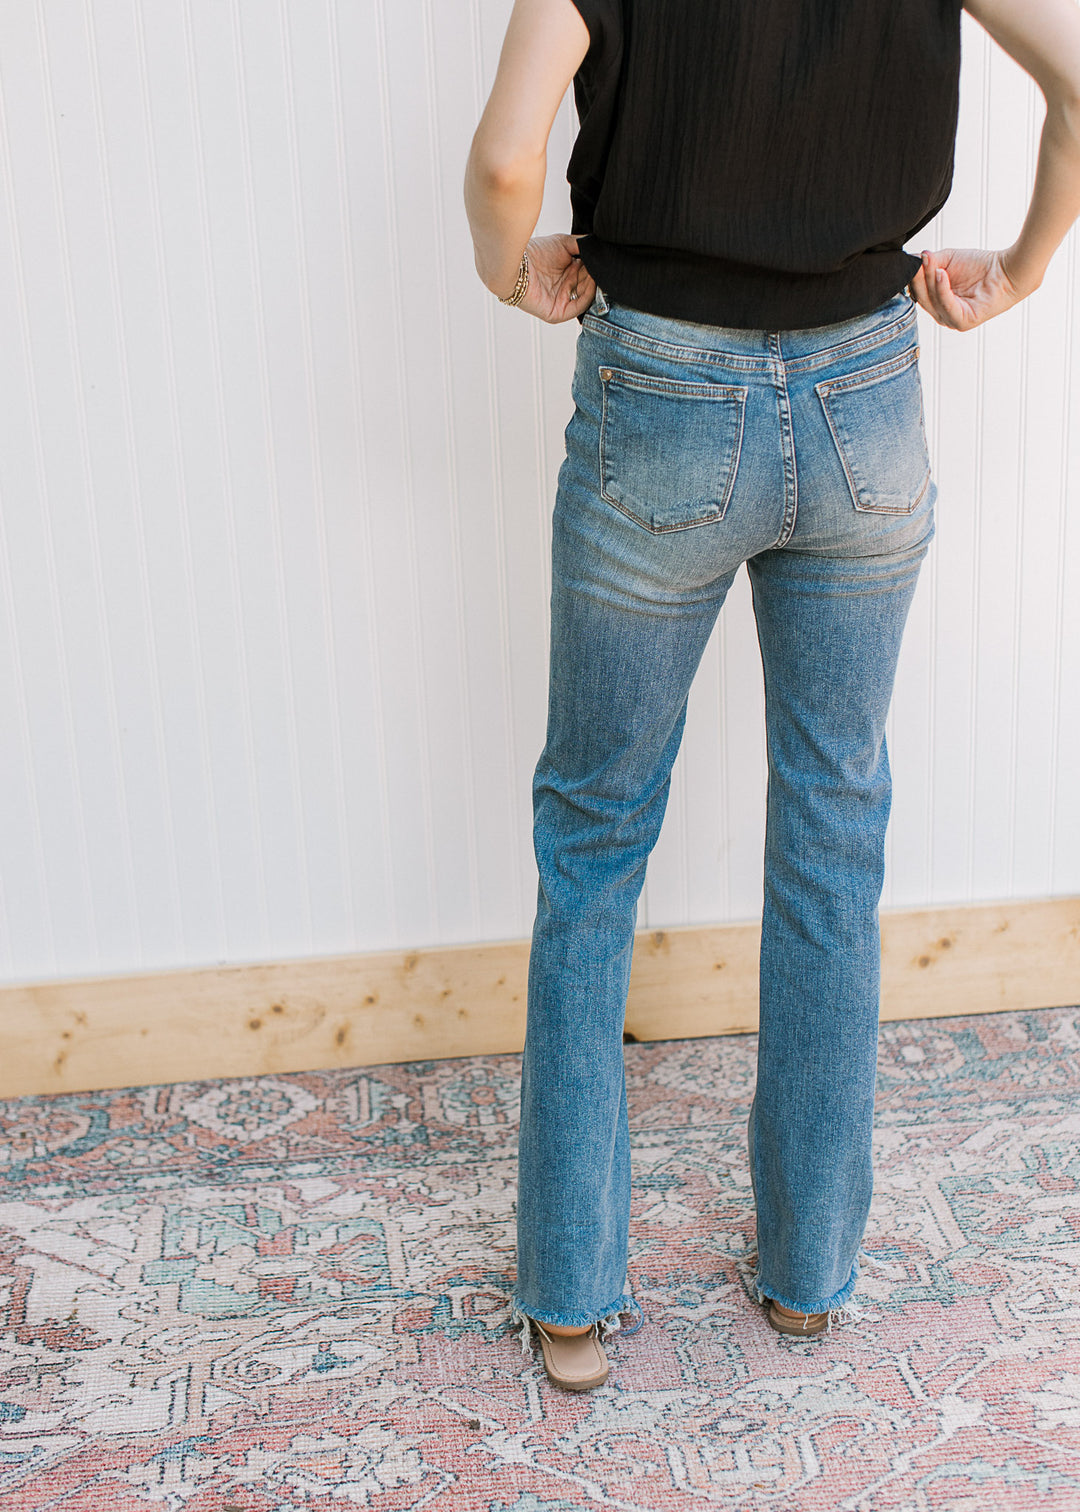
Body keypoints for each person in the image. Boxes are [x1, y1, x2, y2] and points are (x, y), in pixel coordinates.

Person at [464, 0, 1080, 1392]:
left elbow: (507, 164)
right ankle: (808, 1279)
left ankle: (571, 1303)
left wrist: (513, 271)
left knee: (592, 841)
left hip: (659, 397)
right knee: (833, 828)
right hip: (867, 390)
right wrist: (1026, 267)